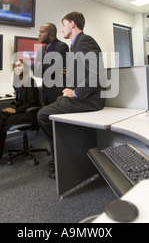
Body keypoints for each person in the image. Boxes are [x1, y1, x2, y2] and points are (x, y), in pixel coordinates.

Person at [37, 12, 105, 179]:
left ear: (72, 24)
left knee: (43, 115)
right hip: (82, 97)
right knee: (50, 113)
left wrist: (74, 92)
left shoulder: (85, 41)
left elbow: (97, 76)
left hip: (89, 100)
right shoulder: (75, 45)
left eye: (64, 25)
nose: (62, 29)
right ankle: (62, 154)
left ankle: (62, 153)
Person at [0, 59, 40, 168]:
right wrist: (11, 108)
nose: (17, 68)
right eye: (15, 66)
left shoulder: (30, 81)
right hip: (21, 111)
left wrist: (14, 111)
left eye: (19, 65)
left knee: (4, 122)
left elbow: (31, 103)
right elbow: (20, 102)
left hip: (30, 113)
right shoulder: (19, 82)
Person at [34, 22, 69, 105]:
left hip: (57, 94)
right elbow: (35, 71)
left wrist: (40, 66)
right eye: (39, 32)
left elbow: (55, 68)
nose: (39, 34)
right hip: (45, 94)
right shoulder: (41, 50)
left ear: (51, 34)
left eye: (42, 32)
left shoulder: (62, 46)